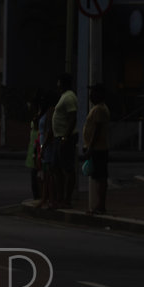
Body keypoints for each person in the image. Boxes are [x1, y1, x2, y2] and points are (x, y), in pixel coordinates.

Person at [81, 83, 111, 214]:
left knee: (100, 178)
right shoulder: (98, 108)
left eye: (93, 92)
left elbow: (97, 131)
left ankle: (100, 206)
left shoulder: (99, 109)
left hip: (98, 148)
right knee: (98, 177)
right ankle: (98, 205)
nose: (90, 95)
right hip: (97, 148)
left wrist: (90, 148)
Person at [50, 75, 78, 209]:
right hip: (58, 137)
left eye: (59, 83)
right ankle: (59, 198)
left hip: (64, 138)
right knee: (56, 167)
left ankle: (67, 199)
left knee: (67, 168)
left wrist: (65, 137)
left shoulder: (69, 97)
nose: (57, 86)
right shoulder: (64, 96)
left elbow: (73, 117)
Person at [26, 99, 45, 201]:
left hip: (38, 150)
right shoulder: (35, 119)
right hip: (34, 151)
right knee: (35, 176)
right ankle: (38, 197)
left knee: (38, 177)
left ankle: (40, 197)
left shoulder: (40, 119)